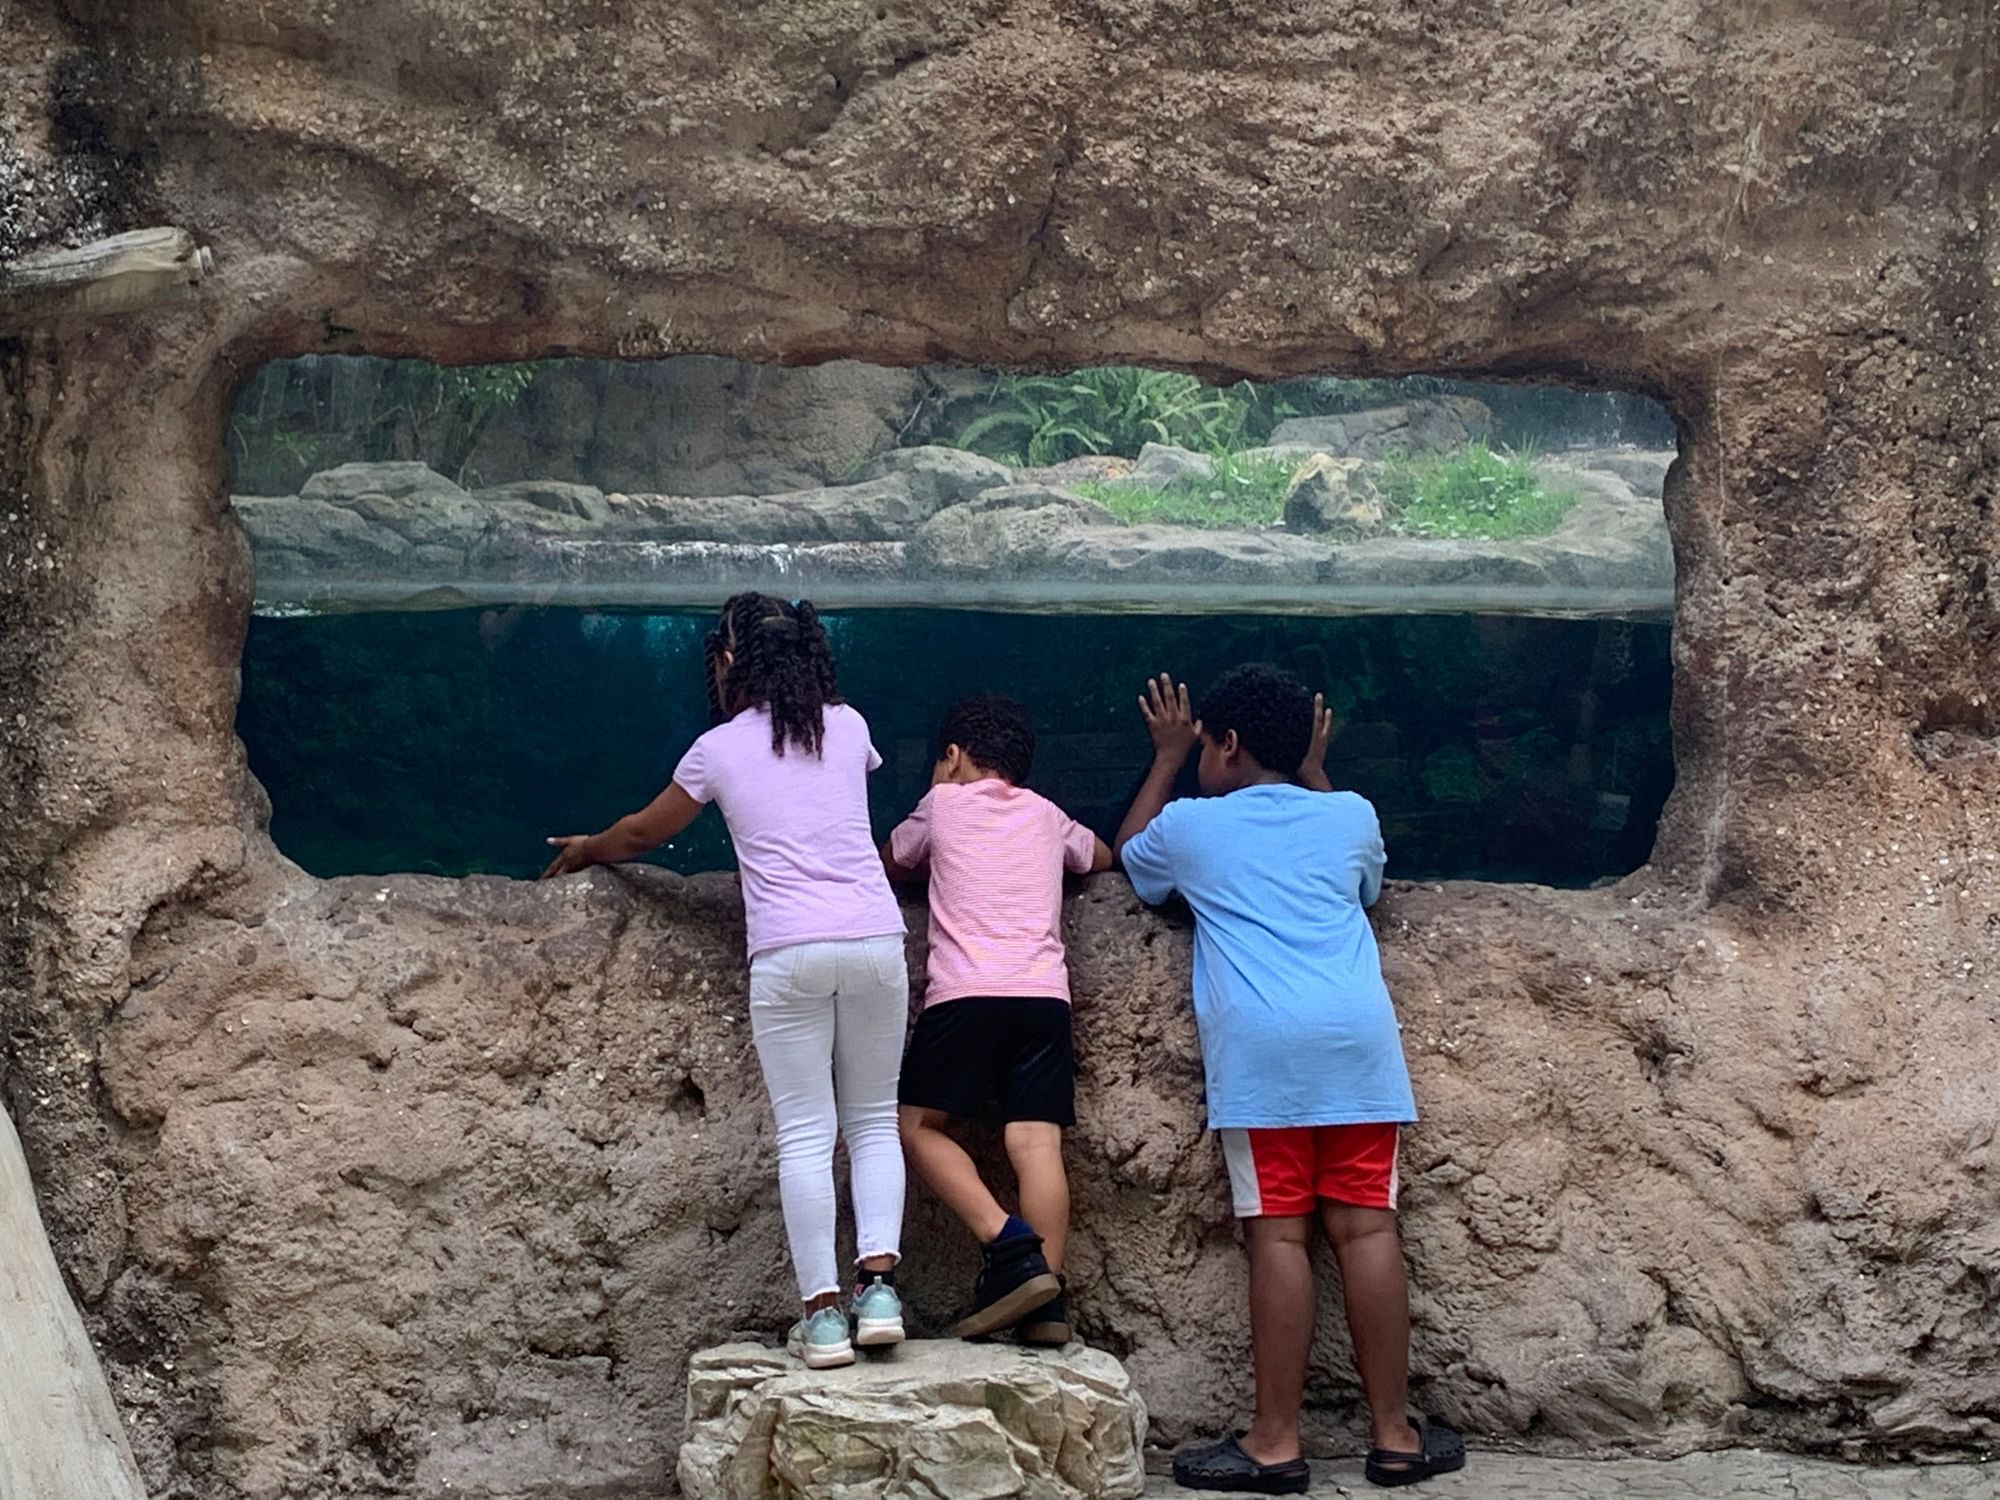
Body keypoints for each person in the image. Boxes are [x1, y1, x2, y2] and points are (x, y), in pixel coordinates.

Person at [1115, 666, 1466, 1493]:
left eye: (1204, 743)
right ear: (1306, 746)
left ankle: (1276, 1441)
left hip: (1264, 1056)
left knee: (1279, 1236)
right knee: (1368, 1230)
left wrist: (1165, 760)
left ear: (1225, 745)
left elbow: (1130, 861)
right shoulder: (1351, 814)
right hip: (1357, 1048)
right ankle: (1393, 1435)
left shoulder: (1193, 826)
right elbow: (1367, 881)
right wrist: (1311, 766)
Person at [541, 592, 908, 1372]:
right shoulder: (850, 727)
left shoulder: (717, 749)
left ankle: (823, 1318)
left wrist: (589, 848)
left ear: (731, 660)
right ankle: (879, 1295)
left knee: (808, 1133)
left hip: (789, 953)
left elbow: (646, 831)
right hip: (877, 941)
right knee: (873, 1120)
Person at [884, 694, 1113, 1342]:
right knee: (1035, 1144)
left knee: (915, 1124)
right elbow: (1097, 856)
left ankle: (1009, 1244)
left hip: (967, 994)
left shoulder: (943, 803)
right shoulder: (1046, 814)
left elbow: (894, 859)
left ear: (952, 756)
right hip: (1044, 998)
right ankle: (1045, 1302)